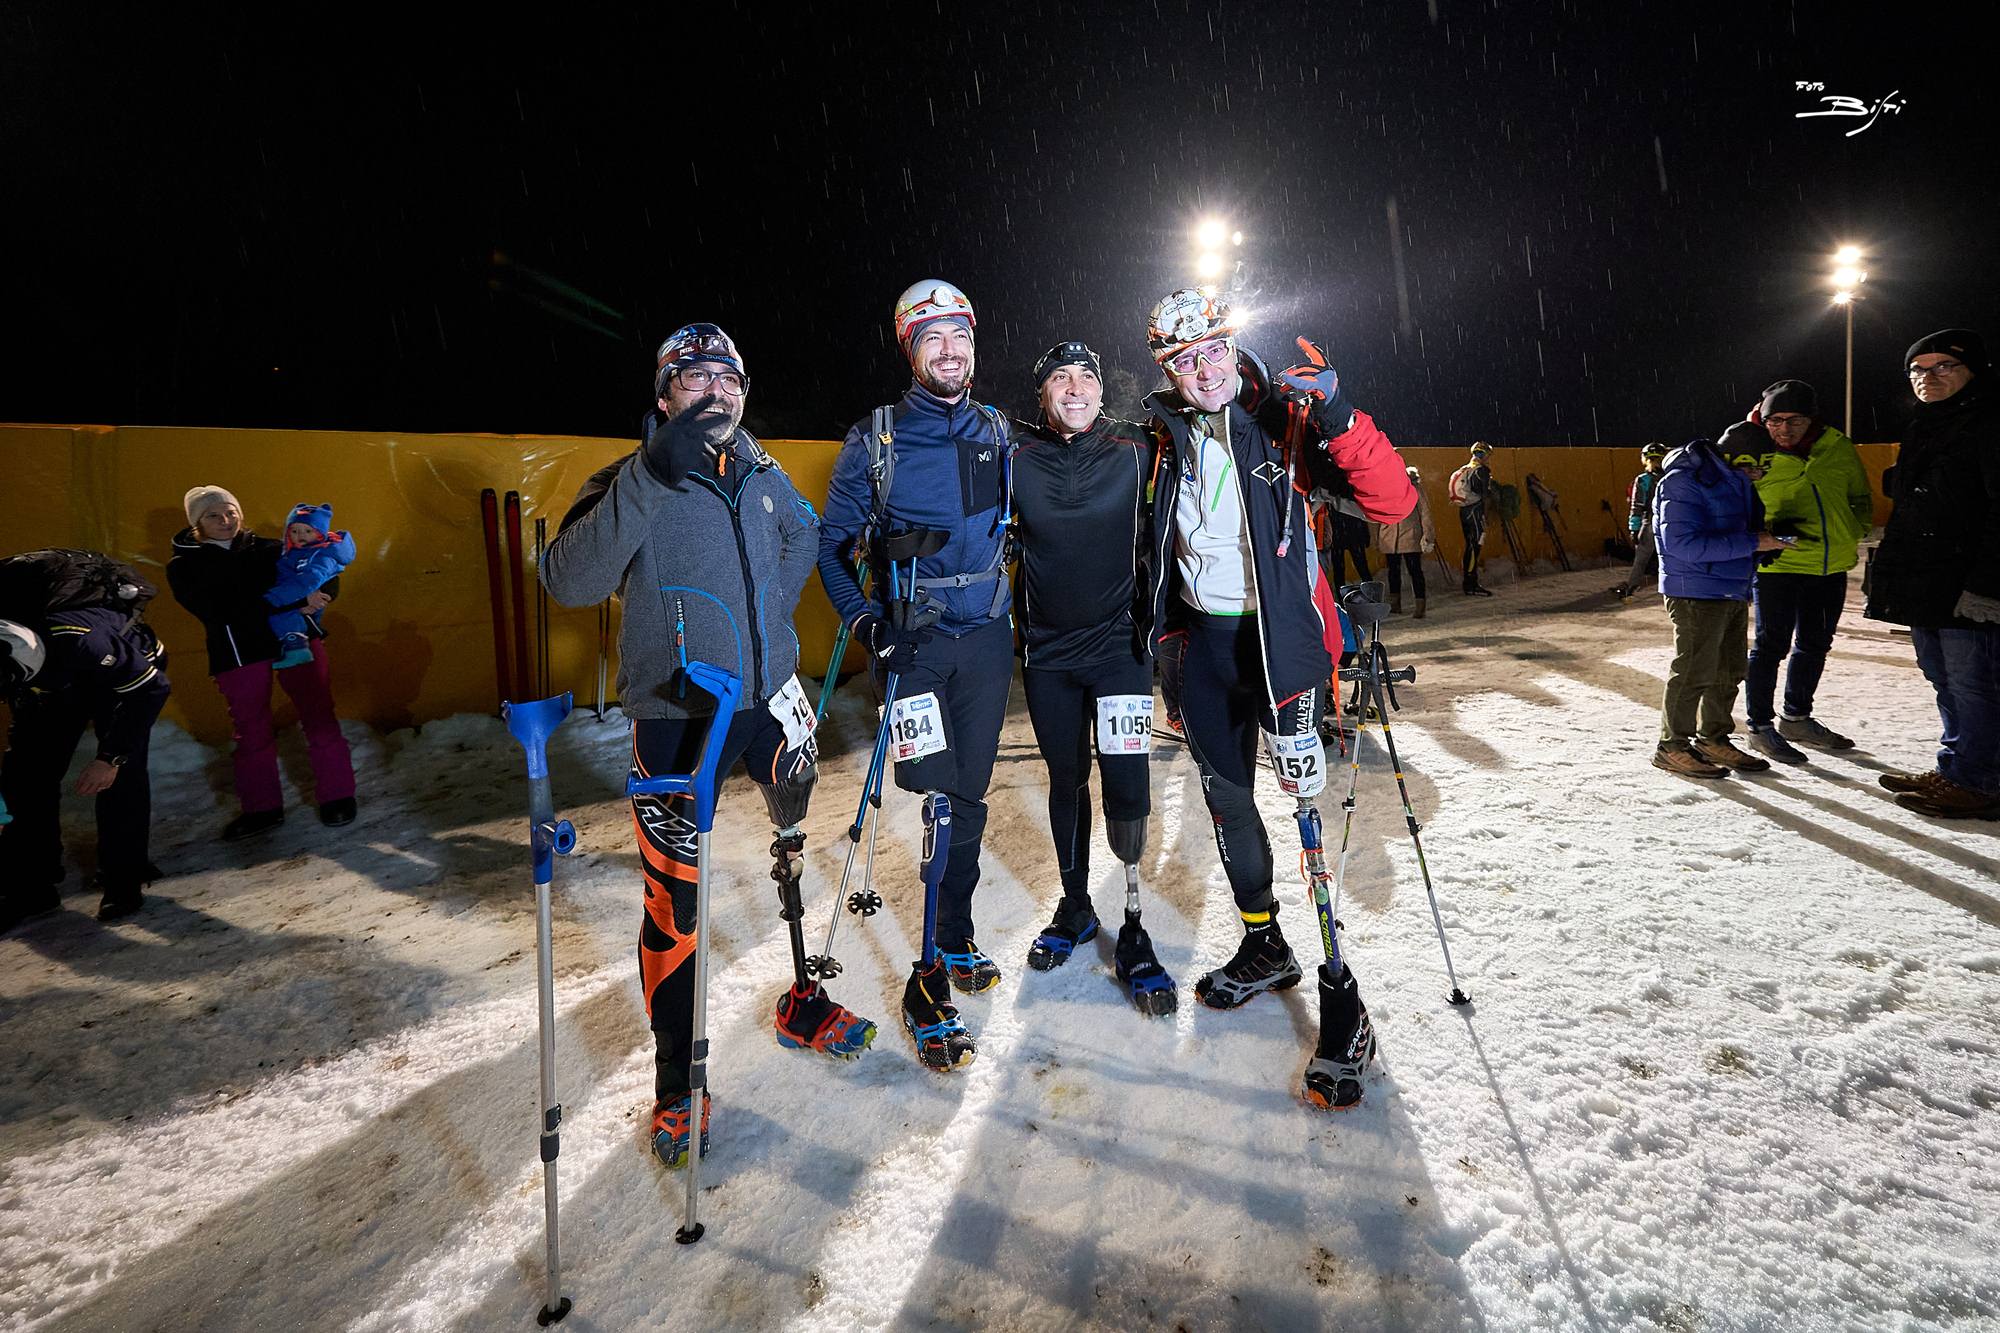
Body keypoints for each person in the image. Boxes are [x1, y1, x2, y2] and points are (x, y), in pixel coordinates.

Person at [541, 322, 876, 1169]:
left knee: (792, 849)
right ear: (664, 398)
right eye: (694, 377)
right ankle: (676, 1084)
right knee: (675, 903)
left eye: (729, 377)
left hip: (770, 706)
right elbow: (568, 579)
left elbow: (803, 535)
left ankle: (803, 1000)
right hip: (679, 717)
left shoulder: (761, 472)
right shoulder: (627, 479)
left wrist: (764, 623)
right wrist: (652, 476)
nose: (715, 389)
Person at [1140, 287, 1417, 1109]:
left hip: (1283, 647)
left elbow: (1394, 503)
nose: (1204, 370)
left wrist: (1342, 415)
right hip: (1203, 650)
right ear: (1167, 371)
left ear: (1232, 346)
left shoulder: (1286, 422)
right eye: (1184, 360)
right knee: (1227, 800)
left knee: (1303, 806)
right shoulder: (1160, 440)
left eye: (1214, 349)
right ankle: (1265, 944)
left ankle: (1343, 1000)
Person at [818, 279, 1015, 1072]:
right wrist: (870, 625)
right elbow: (833, 549)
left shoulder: (996, 430)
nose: (950, 349)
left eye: (959, 334)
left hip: (988, 640)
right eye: (932, 337)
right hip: (916, 643)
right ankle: (928, 976)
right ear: (910, 350)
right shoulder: (877, 439)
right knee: (934, 796)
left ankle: (957, 931)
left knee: (970, 793)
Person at [1009, 339, 1175, 1014]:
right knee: (1067, 779)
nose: (1075, 388)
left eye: (1086, 376)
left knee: (1127, 782)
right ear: (1043, 394)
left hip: (1119, 651)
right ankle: (1076, 905)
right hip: (1048, 655)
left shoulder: (1138, 447)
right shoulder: (1015, 455)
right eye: (1061, 378)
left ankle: (1132, 922)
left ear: (1102, 391)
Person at [167, 486, 359, 839]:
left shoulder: (272, 548)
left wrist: (323, 595)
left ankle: (338, 796)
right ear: (197, 522)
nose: (225, 520)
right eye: (213, 515)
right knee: (251, 730)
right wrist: (293, 601)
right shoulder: (184, 566)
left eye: (230, 512)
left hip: (296, 639)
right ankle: (262, 809)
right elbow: (217, 611)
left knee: (319, 716)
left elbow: (324, 571)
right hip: (237, 650)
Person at [1866, 329, 2000, 819]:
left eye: (1944, 366)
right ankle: (1958, 768)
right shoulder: (1927, 424)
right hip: (1927, 582)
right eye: (1918, 369)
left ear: (1973, 371)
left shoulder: (1989, 423)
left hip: (1968, 584)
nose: (1929, 377)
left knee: (1976, 685)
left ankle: (1981, 782)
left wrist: (1986, 586)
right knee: (1944, 678)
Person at [1, 559, 172, 930]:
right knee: (25, 775)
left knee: (119, 775)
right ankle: (31, 887)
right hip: (47, 681)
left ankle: (123, 880)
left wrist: (110, 757)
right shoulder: (14, 649)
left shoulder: (83, 640)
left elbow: (152, 689)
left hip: (126, 675)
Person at [1738, 380, 1873, 763]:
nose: (1784, 429)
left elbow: (1859, 495)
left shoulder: (1837, 447)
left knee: (1815, 644)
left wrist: (1855, 528)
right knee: (1770, 647)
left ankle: (1796, 718)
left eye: (1795, 420)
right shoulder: (1751, 451)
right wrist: (1763, 536)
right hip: (1779, 565)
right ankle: (1759, 726)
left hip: (1830, 565)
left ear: (1812, 419)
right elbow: (1731, 506)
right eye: (1775, 420)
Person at [1651, 424, 1787, 778]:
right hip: (1694, 591)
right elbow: (1682, 545)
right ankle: (1671, 746)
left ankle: (1712, 738)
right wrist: (1753, 543)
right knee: (1694, 671)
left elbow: (1736, 533)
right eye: (1757, 466)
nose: (1761, 474)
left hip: (1731, 587)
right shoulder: (1684, 481)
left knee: (1728, 671)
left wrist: (1764, 547)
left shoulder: (1737, 482)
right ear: (1738, 458)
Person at [266, 504, 357, 670]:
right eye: (295, 531)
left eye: (308, 531)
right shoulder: (295, 552)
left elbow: (311, 579)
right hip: (299, 596)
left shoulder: (322, 555)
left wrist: (276, 597)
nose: (301, 535)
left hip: (300, 595)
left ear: (320, 533)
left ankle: (297, 649)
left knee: (282, 615)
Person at [1374, 464, 1437, 617]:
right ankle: (1396, 604)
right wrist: (1377, 536)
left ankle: (1419, 606)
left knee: (1414, 571)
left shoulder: (1414, 488)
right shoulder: (1385, 488)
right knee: (1394, 572)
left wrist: (1428, 535)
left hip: (1409, 535)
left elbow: (1425, 512)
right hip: (1391, 536)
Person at [1612, 443, 1668, 599]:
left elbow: (1636, 506)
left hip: (1649, 522)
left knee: (1641, 559)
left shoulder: (1643, 480)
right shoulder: (1671, 477)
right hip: (1670, 522)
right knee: (1671, 558)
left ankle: (1631, 588)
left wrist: (1634, 528)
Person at [1451, 442, 1496, 596]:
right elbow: (1485, 494)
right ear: (1484, 454)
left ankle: (1468, 581)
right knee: (1474, 546)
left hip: (1464, 510)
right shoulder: (1481, 470)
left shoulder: (1465, 469)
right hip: (1476, 511)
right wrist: (1486, 515)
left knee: (1470, 545)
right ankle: (1471, 583)